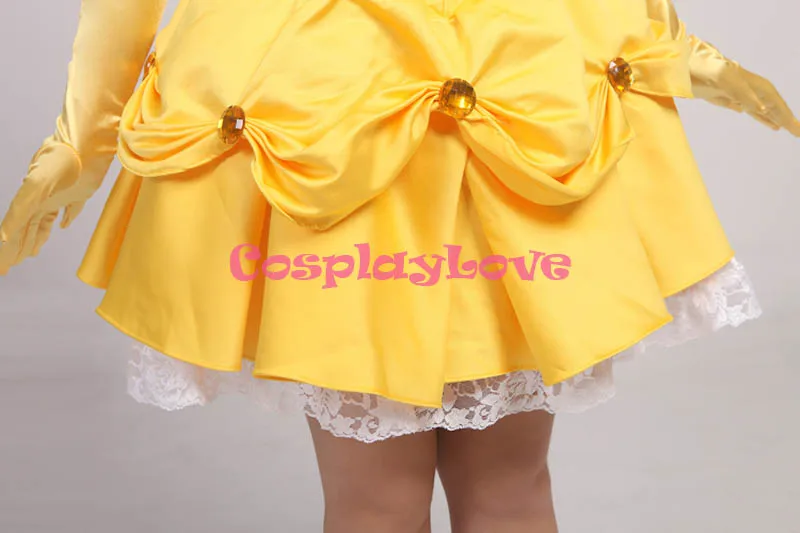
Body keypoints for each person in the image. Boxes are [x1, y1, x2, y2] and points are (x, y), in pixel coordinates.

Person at [1, 1, 797, 531]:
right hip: (359, 106)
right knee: (423, 498)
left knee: (469, 492)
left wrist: (665, 39)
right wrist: (82, 134)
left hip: (417, 88)